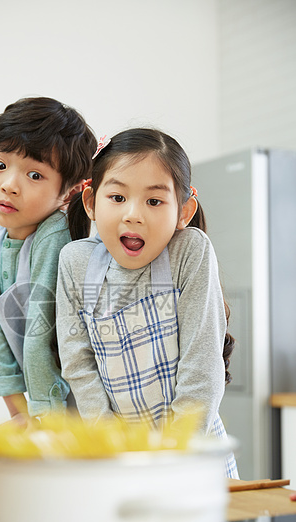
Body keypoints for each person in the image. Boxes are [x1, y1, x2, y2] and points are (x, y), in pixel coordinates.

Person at [56, 128, 239, 478]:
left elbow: (201, 368)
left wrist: (171, 454)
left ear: (184, 211)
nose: (133, 214)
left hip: (191, 456)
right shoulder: (75, 262)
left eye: (154, 201)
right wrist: (112, 446)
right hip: (116, 457)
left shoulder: (190, 252)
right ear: (91, 202)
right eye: (118, 198)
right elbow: (77, 362)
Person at [0, 96, 97, 423]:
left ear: (68, 193)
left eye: (35, 175)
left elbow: (42, 335)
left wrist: (43, 419)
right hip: (43, 399)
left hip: (87, 396)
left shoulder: (56, 233)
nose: (9, 185)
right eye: (0, 165)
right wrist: (20, 415)